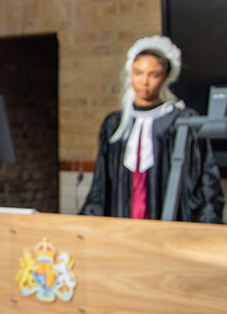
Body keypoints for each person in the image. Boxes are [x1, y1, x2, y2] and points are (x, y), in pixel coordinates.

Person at [80, 35, 224, 222]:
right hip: (123, 222)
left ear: (165, 77)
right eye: (138, 73)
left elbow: (205, 179)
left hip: (169, 226)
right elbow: (100, 184)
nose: (144, 81)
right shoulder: (114, 124)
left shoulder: (181, 122)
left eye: (153, 74)